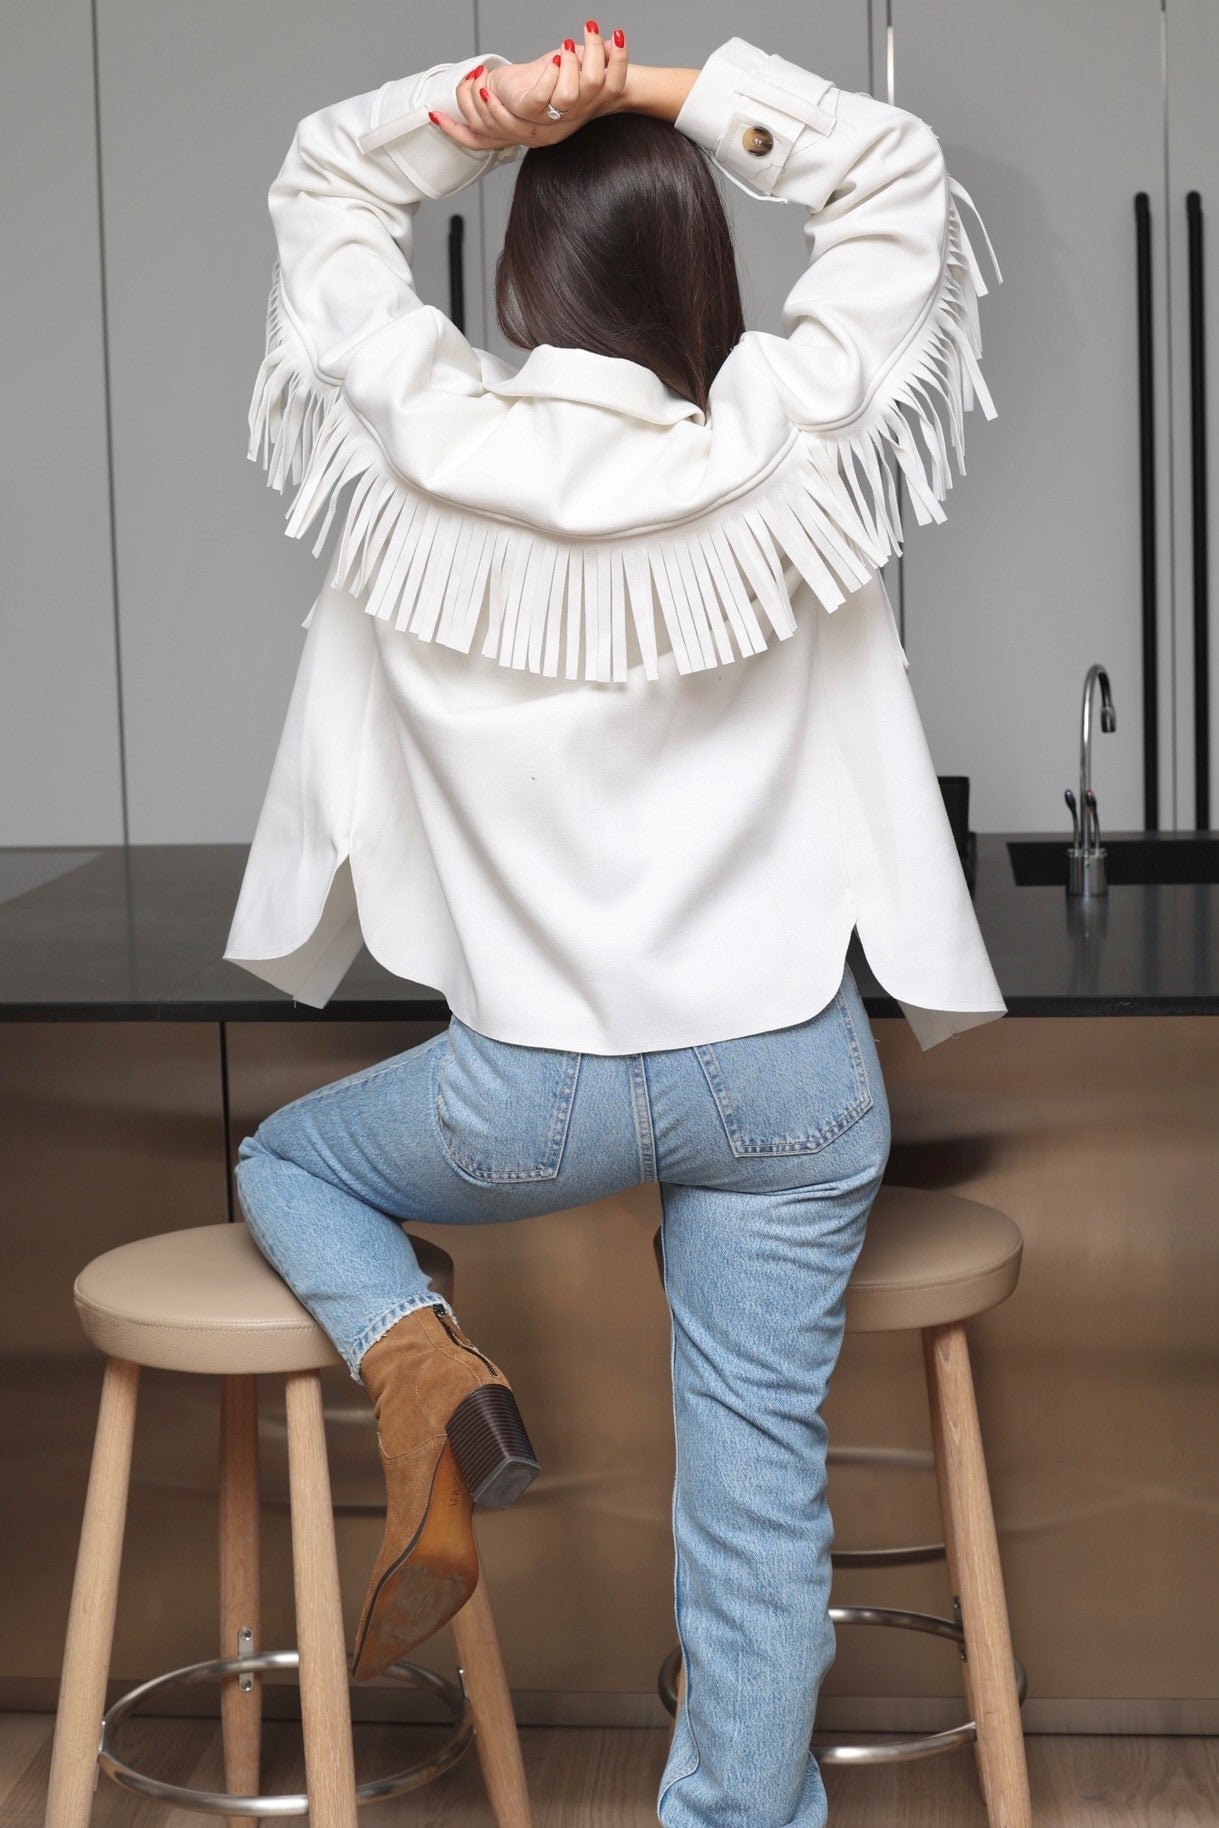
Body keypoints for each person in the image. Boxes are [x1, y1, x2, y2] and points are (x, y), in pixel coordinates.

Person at [228, 26, 1006, 1826]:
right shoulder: (780, 453)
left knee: (288, 1163)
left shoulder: (420, 454)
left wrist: (496, 110)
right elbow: (899, 179)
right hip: (790, 1077)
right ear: (696, 269)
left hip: (532, 1088)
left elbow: (323, 181)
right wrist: (659, 93)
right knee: (757, 1486)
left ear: (522, 272)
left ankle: (420, 1368)